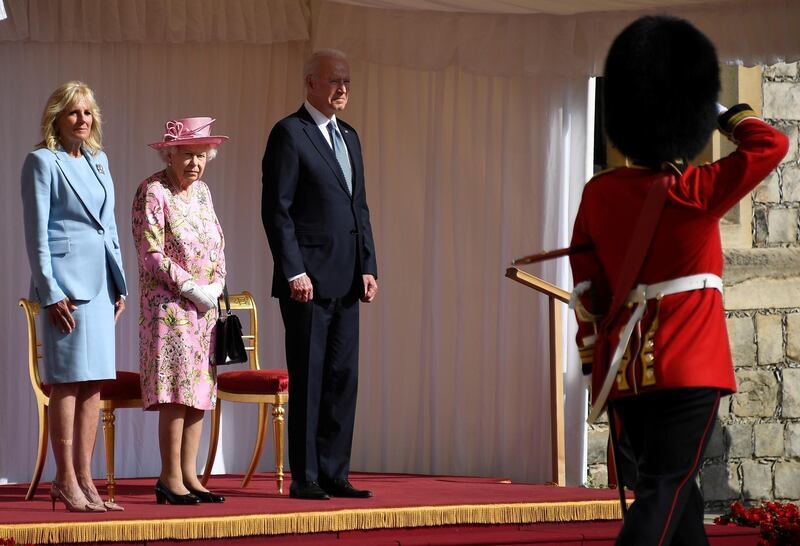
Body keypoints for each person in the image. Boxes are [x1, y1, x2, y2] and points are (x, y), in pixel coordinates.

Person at [569, 16, 789, 545]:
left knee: (675, 494)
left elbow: (587, 291)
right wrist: (719, 113)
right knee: (665, 489)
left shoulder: (600, 192)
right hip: (688, 365)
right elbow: (770, 144)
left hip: (626, 372)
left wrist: (592, 360)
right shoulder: (694, 191)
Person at [262, 49, 378, 500]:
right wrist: (294, 271)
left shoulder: (350, 137)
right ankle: (305, 476)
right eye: (334, 80)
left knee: (343, 378)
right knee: (309, 377)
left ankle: (335, 472)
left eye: (347, 80)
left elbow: (360, 208)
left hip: (349, 281)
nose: (342, 88)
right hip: (307, 284)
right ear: (311, 82)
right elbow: (278, 211)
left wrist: (369, 264)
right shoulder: (290, 134)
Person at [21, 81, 128, 513]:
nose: (82, 120)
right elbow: (37, 233)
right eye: (73, 112)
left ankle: (86, 477)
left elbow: (110, 226)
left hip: (101, 287)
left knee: (95, 384)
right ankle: (63, 478)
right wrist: (49, 291)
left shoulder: (100, 162)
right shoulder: (40, 162)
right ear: (57, 118)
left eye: (87, 113)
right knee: (66, 382)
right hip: (65, 289)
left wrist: (119, 282)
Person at [131, 117, 228, 505]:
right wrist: (191, 288)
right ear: (169, 153)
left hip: (203, 310)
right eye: (187, 155)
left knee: (200, 392)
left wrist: (216, 285)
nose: (194, 163)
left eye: (201, 156)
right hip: (168, 309)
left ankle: (191, 476)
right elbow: (150, 252)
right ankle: (169, 478)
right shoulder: (152, 191)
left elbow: (219, 243)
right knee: (175, 392)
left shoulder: (202, 192)